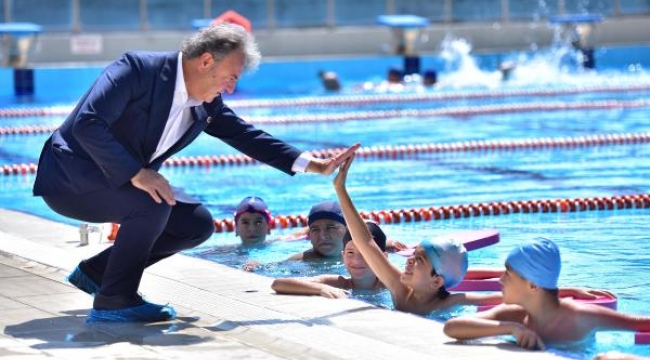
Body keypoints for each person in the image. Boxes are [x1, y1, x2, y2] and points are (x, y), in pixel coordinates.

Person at [32, 23, 358, 323]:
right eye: (230, 77)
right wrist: (136, 173)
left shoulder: (205, 103)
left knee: (195, 224)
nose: (230, 88)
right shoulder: (136, 71)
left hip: (115, 184)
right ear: (205, 62)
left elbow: (245, 135)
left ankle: (99, 273)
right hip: (71, 180)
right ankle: (115, 299)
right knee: (153, 202)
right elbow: (88, 123)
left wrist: (314, 165)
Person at [332, 155, 612, 317]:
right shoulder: (397, 287)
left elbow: (517, 297)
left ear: (437, 280)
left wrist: (571, 292)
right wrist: (341, 190)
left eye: (417, 260)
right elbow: (366, 243)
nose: (406, 262)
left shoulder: (453, 302)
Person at [443, 238, 650, 350]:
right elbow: (452, 327)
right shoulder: (514, 315)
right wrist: (511, 328)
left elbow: (642, 324)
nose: (500, 280)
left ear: (533, 285)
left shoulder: (581, 317)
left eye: (508, 274)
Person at [271, 221, 387, 298]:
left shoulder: (390, 285)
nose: (356, 260)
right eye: (350, 252)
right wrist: (321, 288)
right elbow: (278, 284)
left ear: (384, 257)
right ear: (343, 256)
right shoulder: (339, 283)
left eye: (366, 253)